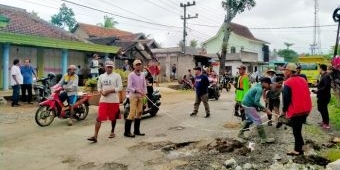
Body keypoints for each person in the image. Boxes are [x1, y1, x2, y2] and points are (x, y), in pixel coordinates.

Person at [87, 61, 123, 143]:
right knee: (99, 117)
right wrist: (101, 92)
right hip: (103, 100)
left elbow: (120, 87)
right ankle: (95, 136)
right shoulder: (101, 76)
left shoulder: (117, 76)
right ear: (105, 67)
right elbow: (99, 87)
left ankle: (112, 131)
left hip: (114, 100)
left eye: (111, 67)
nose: (109, 68)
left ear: (113, 68)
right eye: (108, 67)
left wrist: (109, 91)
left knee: (113, 117)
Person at [281, 63, 312, 156]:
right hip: (306, 109)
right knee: (298, 129)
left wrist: (283, 111)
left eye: (285, 70)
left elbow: (286, 99)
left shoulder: (288, 82)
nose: (284, 72)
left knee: (296, 131)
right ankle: (302, 148)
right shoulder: (303, 79)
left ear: (290, 71)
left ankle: (297, 150)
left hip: (296, 111)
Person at [237, 77, 275, 144]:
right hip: (249, 105)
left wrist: (260, 108)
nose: (269, 86)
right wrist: (266, 109)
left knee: (249, 120)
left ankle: (240, 133)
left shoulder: (258, 85)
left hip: (245, 103)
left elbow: (253, 99)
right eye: (268, 84)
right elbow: (256, 101)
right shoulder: (259, 89)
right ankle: (264, 138)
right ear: (264, 83)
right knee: (258, 120)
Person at [125, 59, 147, 138]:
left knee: (140, 112)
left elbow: (144, 84)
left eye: (139, 64)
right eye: (137, 64)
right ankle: (127, 132)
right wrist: (136, 90)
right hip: (133, 96)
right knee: (132, 113)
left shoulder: (143, 74)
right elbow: (129, 87)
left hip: (141, 96)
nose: (138, 66)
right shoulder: (131, 75)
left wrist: (145, 92)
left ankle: (136, 131)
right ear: (134, 66)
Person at [312, 64, 331, 129]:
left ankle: (326, 123)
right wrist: (317, 84)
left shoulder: (326, 76)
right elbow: (323, 85)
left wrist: (318, 91)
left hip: (324, 96)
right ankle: (324, 121)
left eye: (319, 68)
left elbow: (326, 86)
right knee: (320, 108)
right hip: (321, 96)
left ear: (321, 68)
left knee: (324, 109)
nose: (318, 70)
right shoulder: (323, 75)